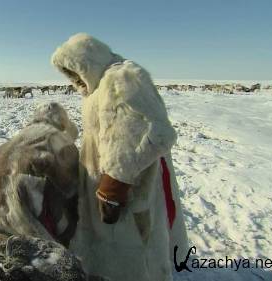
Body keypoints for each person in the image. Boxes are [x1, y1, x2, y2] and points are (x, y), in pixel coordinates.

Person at [51, 33, 189, 281]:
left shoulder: (120, 79)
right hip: (103, 182)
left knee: (131, 247)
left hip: (126, 189)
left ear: (85, 62)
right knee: (113, 245)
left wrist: (115, 184)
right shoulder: (99, 84)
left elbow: (157, 131)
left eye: (73, 70)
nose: (73, 79)